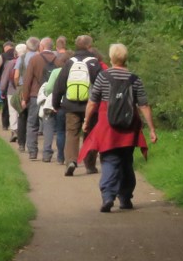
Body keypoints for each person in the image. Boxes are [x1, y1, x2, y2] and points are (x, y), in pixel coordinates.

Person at [78, 43, 157, 212]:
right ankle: (125, 198)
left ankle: (108, 196)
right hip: (129, 126)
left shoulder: (103, 76)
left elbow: (92, 102)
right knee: (126, 161)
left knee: (109, 160)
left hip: (108, 127)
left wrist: (86, 121)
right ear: (125, 58)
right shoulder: (135, 79)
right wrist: (151, 129)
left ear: (111, 58)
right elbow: (143, 105)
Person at [51, 34, 104, 176]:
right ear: (89, 46)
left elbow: (59, 85)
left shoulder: (70, 62)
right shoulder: (94, 63)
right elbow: (102, 84)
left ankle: (71, 161)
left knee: (72, 133)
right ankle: (90, 165)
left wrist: (56, 103)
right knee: (90, 134)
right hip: (90, 106)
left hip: (71, 105)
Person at [20, 37, 57, 162]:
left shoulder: (35, 59)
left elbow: (27, 80)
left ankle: (32, 151)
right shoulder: (59, 60)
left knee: (32, 124)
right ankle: (47, 153)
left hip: (35, 95)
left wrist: (25, 98)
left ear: (41, 46)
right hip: (51, 97)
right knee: (48, 125)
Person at [2, 43, 26, 142]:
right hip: (25, 90)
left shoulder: (11, 63)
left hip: (12, 89)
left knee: (13, 112)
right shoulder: (30, 60)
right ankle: (22, 130)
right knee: (23, 111)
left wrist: (2, 89)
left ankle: (15, 130)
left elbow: (5, 77)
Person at [0, 41, 15, 130]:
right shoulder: (18, 55)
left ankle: (5, 124)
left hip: (7, 81)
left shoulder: (3, 56)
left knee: (5, 105)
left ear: (6, 47)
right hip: (17, 83)